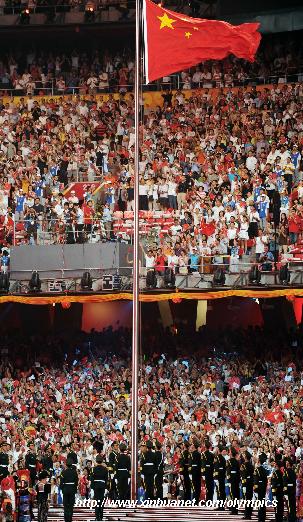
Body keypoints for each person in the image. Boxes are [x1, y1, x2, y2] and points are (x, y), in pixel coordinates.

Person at [60, 457, 79, 522]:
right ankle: (70, 519)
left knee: (65, 505)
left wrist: (62, 488)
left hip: (65, 489)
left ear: (66, 464)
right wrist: (74, 488)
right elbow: (76, 482)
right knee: (71, 505)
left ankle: (66, 519)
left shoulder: (63, 472)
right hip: (72, 490)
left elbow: (61, 483)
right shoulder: (75, 472)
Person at [90, 454, 108, 521]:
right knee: (101, 502)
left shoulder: (93, 469)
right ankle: (101, 516)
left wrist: (92, 488)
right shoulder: (105, 469)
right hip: (102, 486)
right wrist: (106, 488)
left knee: (97, 502)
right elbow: (106, 479)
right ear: (102, 461)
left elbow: (92, 479)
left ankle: (97, 516)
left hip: (96, 486)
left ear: (96, 461)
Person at [253, 453, 268, 522]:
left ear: (259, 461)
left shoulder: (257, 469)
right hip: (263, 486)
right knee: (263, 501)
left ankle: (261, 517)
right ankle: (263, 515)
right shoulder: (264, 469)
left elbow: (256, 480)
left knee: (260, 502)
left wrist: (255, 488)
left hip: (259, 487)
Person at [241, 450, 254, 520]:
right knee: (249, 499)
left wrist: (243, 485)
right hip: (250, 484)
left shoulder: (244, 465)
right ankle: (249, 513)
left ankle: (247, 515)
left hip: (246, 484)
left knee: (246, 500)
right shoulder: (251, 465)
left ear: (245, 457)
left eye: (243, 454)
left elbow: (243, 476)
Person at [226, 447, 240, 515]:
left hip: (231, 480)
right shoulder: (237, 461)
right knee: (236, 495)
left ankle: (233, 510)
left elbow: (228, 472)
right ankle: (235, 509)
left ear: (231, 453)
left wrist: (228, 480)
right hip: (236, 480)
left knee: (232, 495)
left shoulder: (229, 461)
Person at [270, 456, 284, 522]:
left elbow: (274, 484)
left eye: (275, 464)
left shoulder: (275, 473)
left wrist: (273, 493)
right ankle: (280, 518)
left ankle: (277, 518)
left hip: (277, 492)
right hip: (281, 492)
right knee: (281, 506)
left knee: (277, 507)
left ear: (277, 465)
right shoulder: (282, 473)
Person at [213, 445, 226, 509]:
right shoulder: (220, 457)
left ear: (218, 450)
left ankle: (221, 506)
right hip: (220, 477)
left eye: (216, 449)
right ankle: (220, 505)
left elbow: (219, 469)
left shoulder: (219, 458)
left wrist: (216, 477)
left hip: (219, 478)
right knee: (219, 491)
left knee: (220, 491)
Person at [189, 440, 202, 505]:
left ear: (194, 447)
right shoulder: (198, 454)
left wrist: (190, 472)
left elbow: (191, 465)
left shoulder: (194, 454)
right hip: (198, 473)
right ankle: (195, 501)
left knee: (195, 488)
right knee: (196, 488)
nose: (190, 448)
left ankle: (194, 501)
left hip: (194, 473)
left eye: (191, 447)